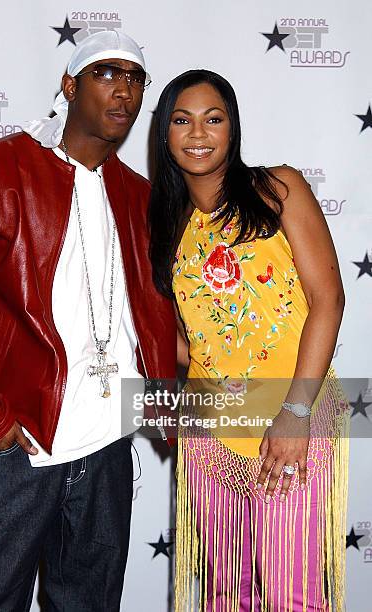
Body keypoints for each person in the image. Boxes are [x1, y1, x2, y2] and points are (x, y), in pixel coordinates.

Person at [0, 31, 176, 611]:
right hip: (19, 446)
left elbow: (159, 315)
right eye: (106, 74)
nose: (124, 91)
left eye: (135, 79)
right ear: (69, 85)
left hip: (108, 446)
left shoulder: (139, 197)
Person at [148, 70, 349, 611]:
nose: (198, 133)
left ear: (233, 129)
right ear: (163, 134)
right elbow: (184, 340)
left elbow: (328, 299)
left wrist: (296, 413)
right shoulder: (166, 225)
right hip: (211, 441)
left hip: (292, 418)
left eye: (213, 118)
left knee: (293, 594)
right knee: (224, 595)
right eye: (181, 120)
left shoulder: (276, 188)